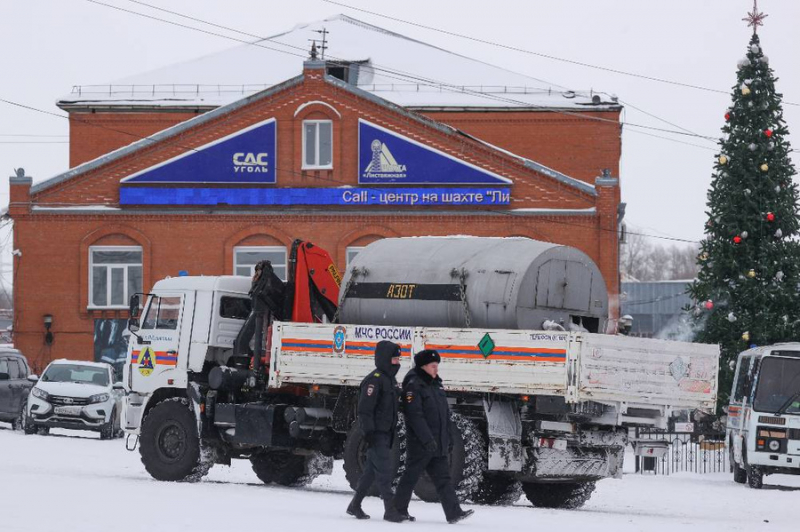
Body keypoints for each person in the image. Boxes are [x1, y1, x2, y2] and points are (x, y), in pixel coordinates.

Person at [393, 349, 474, 524]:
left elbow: (444, 414)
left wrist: (448, 438)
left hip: (437, 443)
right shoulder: (414, 384)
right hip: (421, 443)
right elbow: (415, 416)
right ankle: (397, 511)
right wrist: (427, 439)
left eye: (437, 366)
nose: (436, 370)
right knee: (411, 477)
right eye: (433, 366)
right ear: (423, 366)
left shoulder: (436, 385)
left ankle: (454, 513)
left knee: (443, 479)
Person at [346, 340, 405, 523]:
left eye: (398, 359)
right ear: (385, 359)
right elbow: (365, 410)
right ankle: (390, 510)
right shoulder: (375, 380)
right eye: (394, 359)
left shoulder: (389, 380)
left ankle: (355, 505)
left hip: (387, 433)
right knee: (385, 472)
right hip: (376, 434)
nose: (397, 363)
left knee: (370, 471)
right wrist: (369, 433)